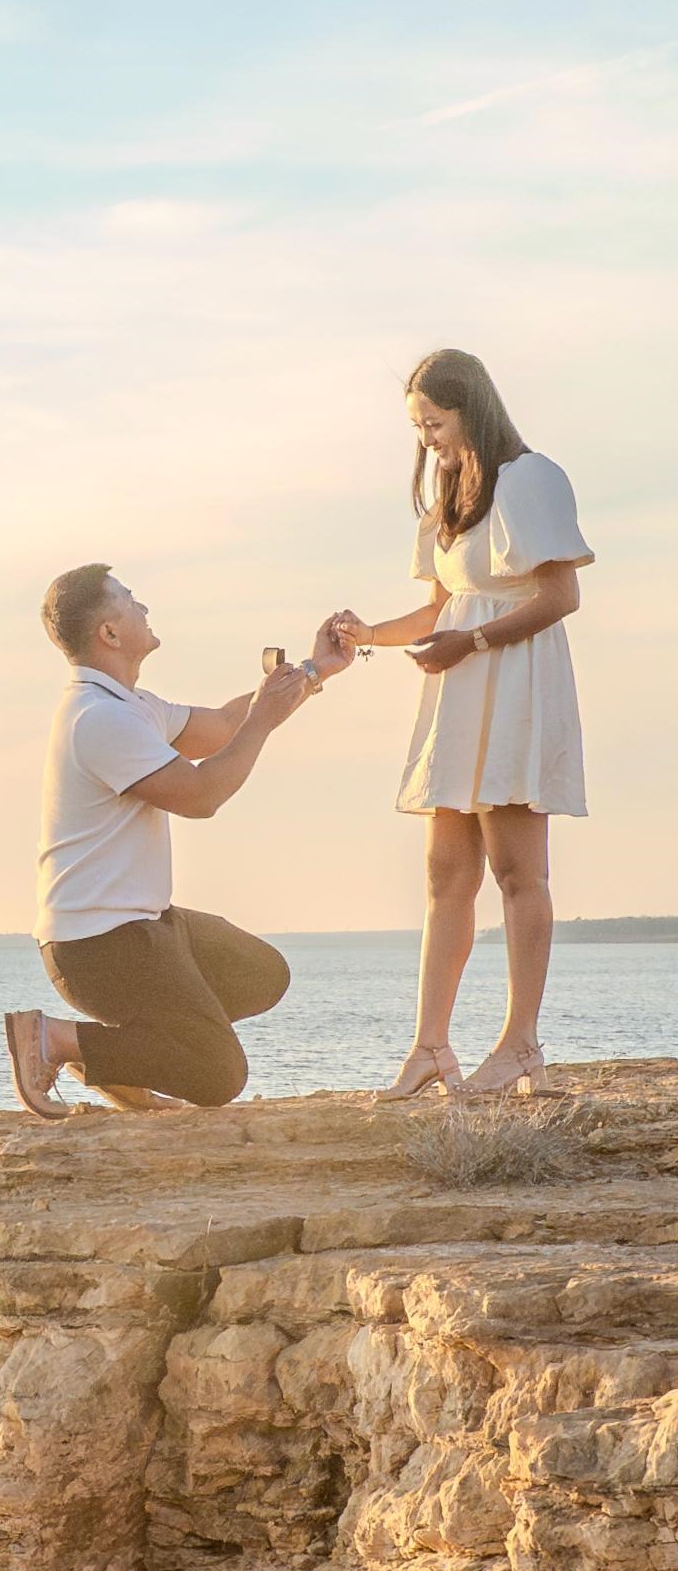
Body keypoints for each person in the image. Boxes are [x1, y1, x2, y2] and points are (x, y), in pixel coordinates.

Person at [330, 347, 593, 1102]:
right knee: (446, 875)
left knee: (517, 872)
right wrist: (366, 633)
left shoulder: (528, 478)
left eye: (433, 423)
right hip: (459, 684)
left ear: (469, 408)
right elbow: (439, 608)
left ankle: (519, 1047)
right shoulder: (448, 492)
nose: (426, 441)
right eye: (416, 427)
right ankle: (429, 1049)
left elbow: (558, 597)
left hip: (511, 682)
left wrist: (470, 643)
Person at [4, 564, 353, 1118]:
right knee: (218, 1073)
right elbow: (200, 796)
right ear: (110, 635)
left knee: (262, 973)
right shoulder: (97, 719)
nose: (143, 607)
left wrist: (315, 671)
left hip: (143, 924)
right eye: (129, 600)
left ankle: (125, 1060)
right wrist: (261, 721)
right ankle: (55, 1039)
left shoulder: (129, 706)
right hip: (99, 946)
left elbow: (223, 725)